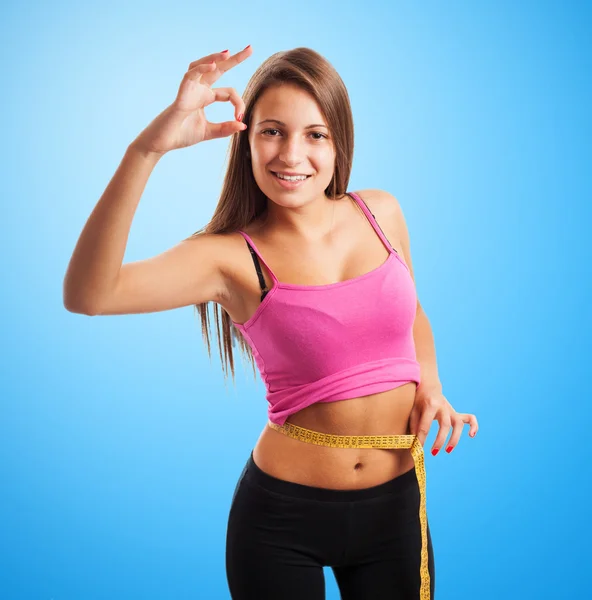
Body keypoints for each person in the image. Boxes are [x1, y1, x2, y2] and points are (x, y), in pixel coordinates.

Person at [63, 45, 478, 600]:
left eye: (315, 134)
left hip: (396, 508)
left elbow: (412, 314)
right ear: (245, 138)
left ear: (339, 142)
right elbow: (89, 293)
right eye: (272, 132)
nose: (292, 154)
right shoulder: (230, 259)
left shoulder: (381, 214)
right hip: (282, 521)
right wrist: (148, 149)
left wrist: (431, 387)